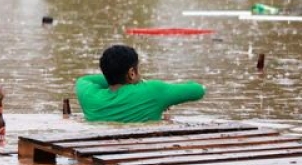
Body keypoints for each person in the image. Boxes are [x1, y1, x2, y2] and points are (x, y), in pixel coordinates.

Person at [75, 44, 205, 122]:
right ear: (132, 73)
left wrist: (111, 75)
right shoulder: (153, 91)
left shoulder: (89, 96)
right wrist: (142, 83)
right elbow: (198, 90)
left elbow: (84, 80)